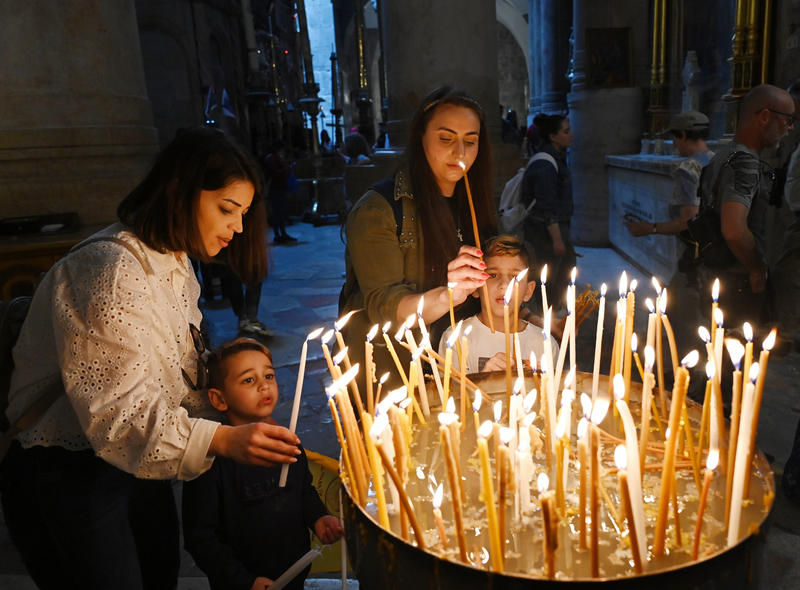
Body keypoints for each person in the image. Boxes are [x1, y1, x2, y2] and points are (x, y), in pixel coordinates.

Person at [0, 127, 302, 590]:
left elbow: (171, 373)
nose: (238, 228)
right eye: (227, 209)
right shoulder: (110, 270)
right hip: (69, 467)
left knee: (159, 570)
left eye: (243, 213)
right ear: (179, 192)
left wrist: (230, 399)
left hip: (135, 465)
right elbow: (119, 415)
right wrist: (221, 441)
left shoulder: (174, 260)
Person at [339, 86, 497, 390]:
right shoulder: (378, 210)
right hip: (397, 371)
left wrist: (528, 317)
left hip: (460, 362)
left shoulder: (474, 202)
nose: (460, 153)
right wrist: (448, 295)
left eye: (470, 141)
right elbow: (384, 305)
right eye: (446, 138)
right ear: (420, 137)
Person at [182, 338, 343, 590]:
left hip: (294, 571)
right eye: (249, 380)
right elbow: (200, 538)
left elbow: (303, 490)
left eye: (269, 376)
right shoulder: (209, 460)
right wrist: (243, 581)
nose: (264, 386)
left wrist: (319, 517)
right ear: (219, 399)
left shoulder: (286, 439)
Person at [696, 83, 794, 330]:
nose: (790, 129)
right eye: (788, 120)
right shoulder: (747, 163)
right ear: (765, 117)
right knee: (739, 360)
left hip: (714, 273)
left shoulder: (724, 154)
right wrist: (757, 269)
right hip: (737, 281)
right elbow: (734, 229)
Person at [438, 235, 557, 373]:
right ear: (475, 286)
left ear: (528, 291)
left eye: (515, 277)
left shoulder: (543, 343)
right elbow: (449, 393)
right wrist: (486, 380)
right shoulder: (456, 339)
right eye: (493, 275)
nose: (504, 285)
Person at [626, 110, 714, 239]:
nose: (674, 144)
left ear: (683, 135)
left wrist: (650, 228)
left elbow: (689, 222)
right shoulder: (715, 159)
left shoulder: (688, 169)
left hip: (698, 248)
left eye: (674, 138)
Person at [520, 114, 575, 313]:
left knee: (561, 276)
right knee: (550, 279)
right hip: (544, 234)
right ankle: (549, 321)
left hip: (554, 230)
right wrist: (558, 240)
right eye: (566, 131)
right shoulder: (545, 164)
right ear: (553, 136)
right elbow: (546, 206)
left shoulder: (556, 157)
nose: (571, 135)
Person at [262, 141, 297, 244]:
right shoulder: (272, 158)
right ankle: (279, 235)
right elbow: (275, 173)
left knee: (279, 212)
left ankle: (281, 233)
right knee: (278, 212)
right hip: (276, 188)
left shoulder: (271, 158)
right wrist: (286, 169)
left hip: (277, 188)